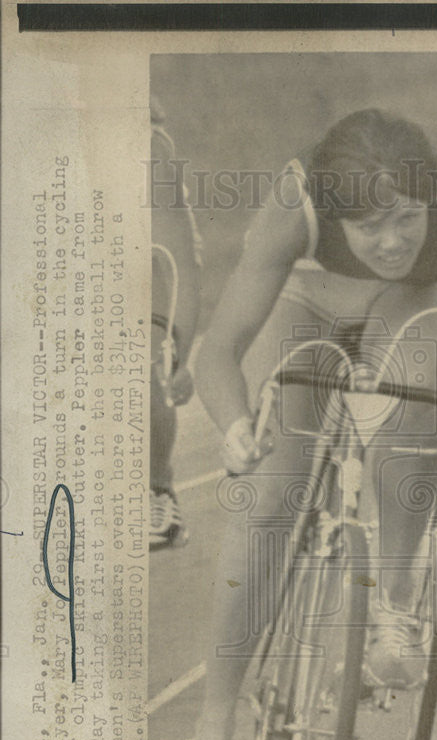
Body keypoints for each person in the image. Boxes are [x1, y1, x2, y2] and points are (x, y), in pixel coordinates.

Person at [157, 109, 437, 740]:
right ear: (333, 214)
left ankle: (396, 607)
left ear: (427, 200)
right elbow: (219, 352)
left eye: (406, 217)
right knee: (271, 498)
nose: (392, 240)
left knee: (412, 413)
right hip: (308, 298)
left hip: (424, 298)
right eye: (369, 226)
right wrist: (237, 426)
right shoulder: (293, 203)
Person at [150, 98, 203, 547]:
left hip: (135, 276)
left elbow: (180, 260)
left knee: (145, 364)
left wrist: (177, 355)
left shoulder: (148, 147)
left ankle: (154, 483)